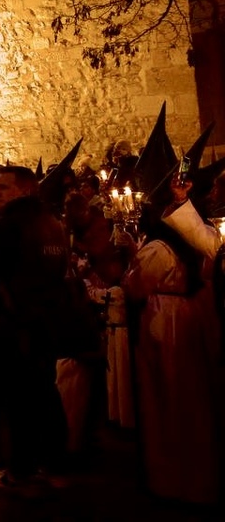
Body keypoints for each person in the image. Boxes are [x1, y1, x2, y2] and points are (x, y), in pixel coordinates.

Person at [123, 176, 222, 505]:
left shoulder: (160, 249)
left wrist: (128, 256)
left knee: (170, 401)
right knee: (191, 401)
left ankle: (174, 478)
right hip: (193, 318)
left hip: (166, 322)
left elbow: (134, 287)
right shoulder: (194, 245)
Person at [0, 165, 72, 493]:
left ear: (24, 190)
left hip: (16, 322)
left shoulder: (10, 225)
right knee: (46, 393)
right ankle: (56, 466)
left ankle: (20, 469)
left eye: (4, 187)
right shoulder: (53, 224)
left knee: (19, 399)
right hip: (47, 320)